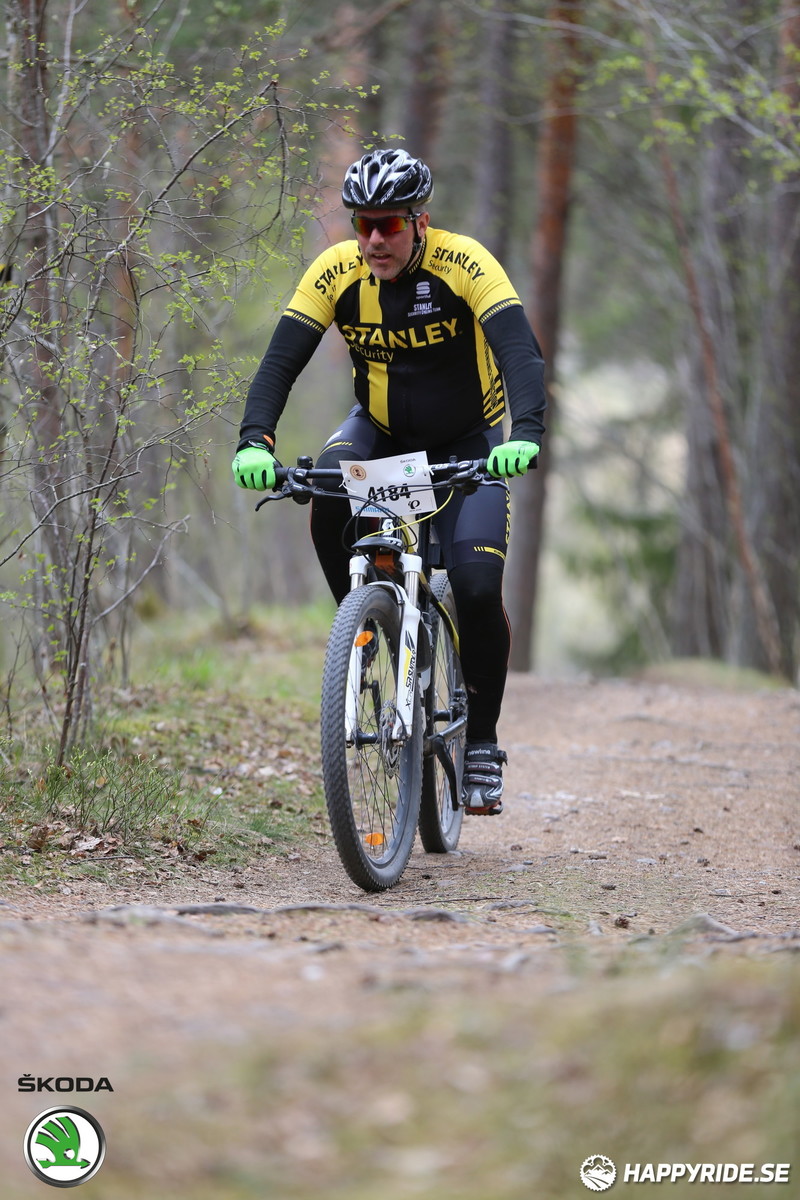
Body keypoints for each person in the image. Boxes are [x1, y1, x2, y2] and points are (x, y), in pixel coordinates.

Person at [232, 148, 546, 814]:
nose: (375, 239)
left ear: (419, 220)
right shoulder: (338, 272)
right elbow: (279, 363)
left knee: (479, 583)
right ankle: (364, 623)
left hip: (470, 446)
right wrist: (253, 438)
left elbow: (520, 352)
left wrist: (525, 436)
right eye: (363, 224)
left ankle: (483, 744)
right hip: (379, 432)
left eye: (390, 225)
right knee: (321, 485)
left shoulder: (465, 264)